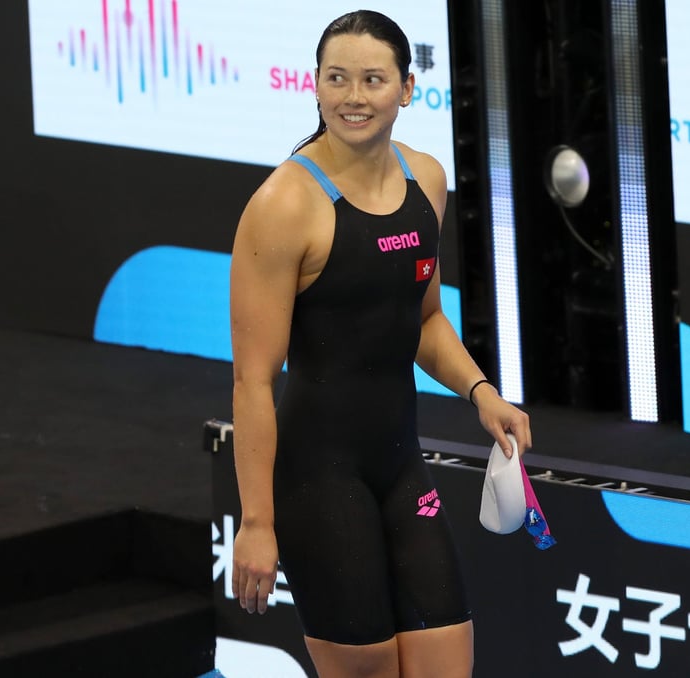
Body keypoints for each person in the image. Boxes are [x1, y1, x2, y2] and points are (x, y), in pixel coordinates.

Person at [228, 10, 531, 678]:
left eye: (372, 79)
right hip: (317, 479)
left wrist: (482, 393)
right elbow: (253, 381)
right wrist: (256, 522)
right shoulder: (283, 206)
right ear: (314, 86)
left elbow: (423, 319)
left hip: (400, 467)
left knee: (447, 661)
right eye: (337, 79)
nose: (353, 97)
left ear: (407, 88)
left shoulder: (426, 179)